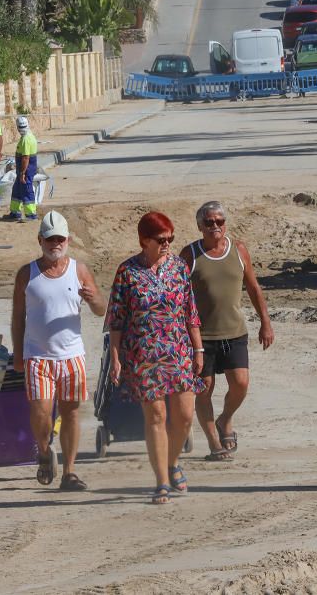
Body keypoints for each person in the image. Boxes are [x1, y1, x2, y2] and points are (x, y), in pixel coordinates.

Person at [106, 212, 205, 505]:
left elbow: (191, 312)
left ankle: (172, 461)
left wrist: (198, 349)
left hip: (178, 350)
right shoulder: (127, 272)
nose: (167, 244)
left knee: (185, 416)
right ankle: (161, 480)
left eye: (171, 239)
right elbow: (116, 320)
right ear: (144, 240)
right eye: (162, 240)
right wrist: (115, 357)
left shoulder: (179, 267)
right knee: (157, 417)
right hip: (143, 354)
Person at [11, 211, 106, 491]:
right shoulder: (26, 274)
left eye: (60, 239)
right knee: (42, 411)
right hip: (37, 356)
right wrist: (18, 353)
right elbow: (18, 317)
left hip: (71, 355)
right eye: (50, 239)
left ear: (68, 240)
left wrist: (94, 300)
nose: (55, 244)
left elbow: (102, 310)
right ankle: (43, 451)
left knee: (71, 412)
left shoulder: (80, 271)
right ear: (40, 240)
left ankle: (70, 472)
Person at [180, 201, 274, 461]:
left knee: (241, 383)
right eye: (209, 222)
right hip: (201, 336)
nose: (215, 227)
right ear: (200, 226)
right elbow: (176, 294)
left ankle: (225, 420)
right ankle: (213, 443)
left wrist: (265, 321)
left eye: (219, 221)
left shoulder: (239, 250)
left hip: (234, 331)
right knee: (204, 388)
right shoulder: (189, 254)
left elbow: (254, 288)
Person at [6, 116, 38, 222]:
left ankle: (31, 215)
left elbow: (25, 158)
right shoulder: (29, 135)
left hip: (26, 170)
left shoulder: (25, 139)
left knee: (26, 190)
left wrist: (23, 173)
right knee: (17, 190)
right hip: (24, 169)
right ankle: (15, 212)